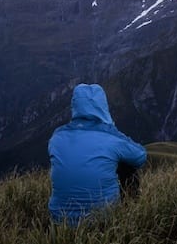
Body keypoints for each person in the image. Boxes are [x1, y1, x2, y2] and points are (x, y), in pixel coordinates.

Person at [48, 83, 147, 225]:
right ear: (103, 106)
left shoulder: (56, 137)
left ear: (74, 105)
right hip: (103, 221)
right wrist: (113, 130)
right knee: (128, 165)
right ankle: (130, 212)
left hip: (59, 222)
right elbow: (141, 156)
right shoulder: (111, 138)